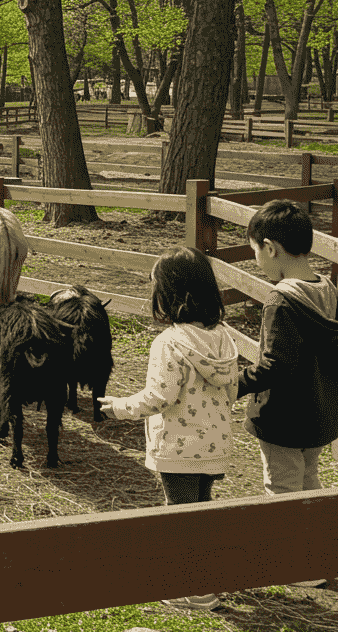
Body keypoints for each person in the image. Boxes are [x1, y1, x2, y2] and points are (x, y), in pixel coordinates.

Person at [98, 246, 239, 611]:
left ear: (169, 295)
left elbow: (159, 397)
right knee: (202, 513)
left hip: (177, 447)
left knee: (178, 518)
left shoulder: (170, 343)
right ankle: (207, 581)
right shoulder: (224, 338)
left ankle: (188, 588)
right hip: (215, 445)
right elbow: (233, 387)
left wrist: (119, 407)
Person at [239, 198, 338, 505]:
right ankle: (314, 538)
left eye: (256, 252)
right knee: (308, 478)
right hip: (319, 414)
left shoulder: (281, 301)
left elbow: (275, 365)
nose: (258, 260)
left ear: (271, 248)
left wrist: (235, 383)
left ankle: (289, 548)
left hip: (284, 419)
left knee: (282, 491)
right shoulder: (330, 292)